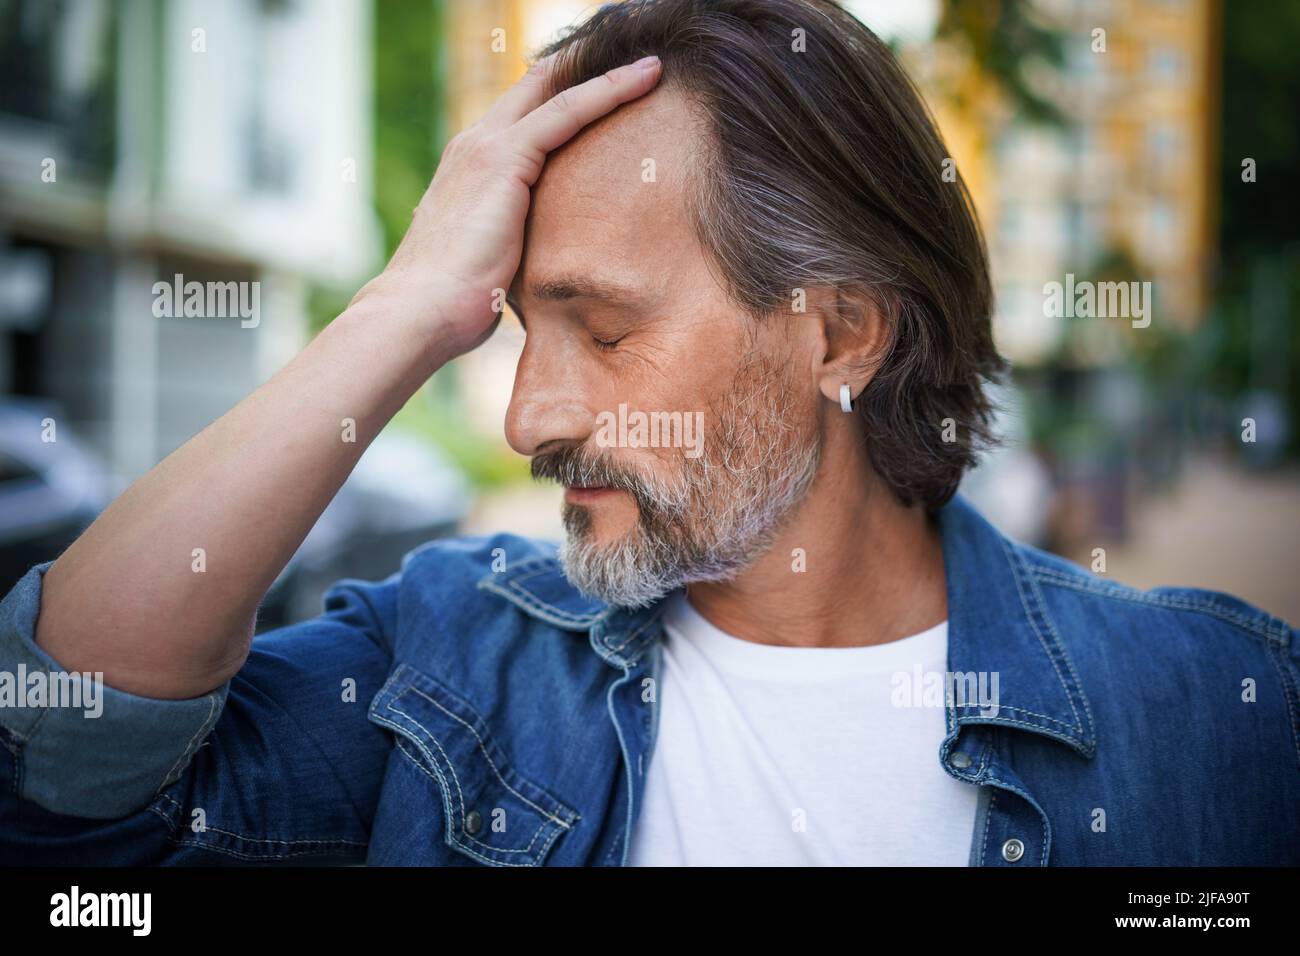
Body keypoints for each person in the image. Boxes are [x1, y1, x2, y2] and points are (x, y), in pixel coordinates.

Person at [1, 0, 1296, 866]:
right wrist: (400, 307)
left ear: (841, 335)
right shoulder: (449, 662)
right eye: (517, 328)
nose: (526, 419)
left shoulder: (1216, 718)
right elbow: (70, 774)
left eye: (606, 332)